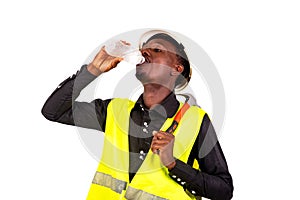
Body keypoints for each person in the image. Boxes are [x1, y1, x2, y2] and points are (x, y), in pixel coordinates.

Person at [42, 31, 233, 200]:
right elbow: (53, 111)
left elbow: (224, 190)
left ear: (176, 69)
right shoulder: (114, 110)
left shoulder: (196, 121)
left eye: (157, 49)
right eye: (143, 50)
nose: (144, 52)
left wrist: (173, 164)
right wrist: (93, 69)